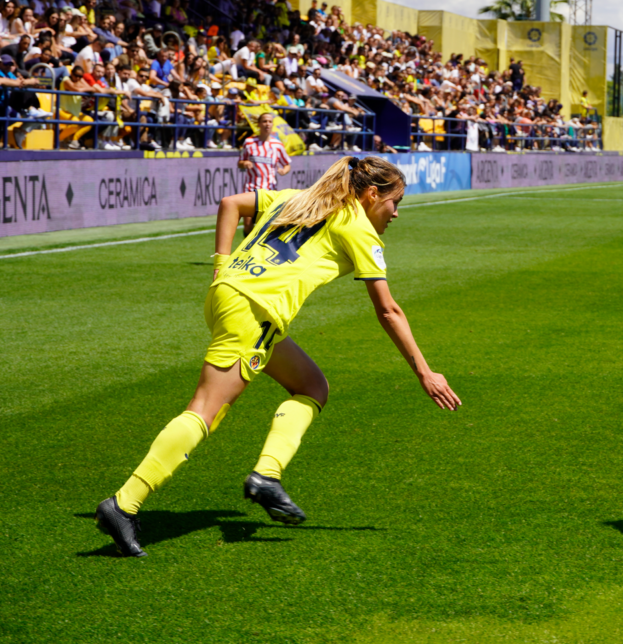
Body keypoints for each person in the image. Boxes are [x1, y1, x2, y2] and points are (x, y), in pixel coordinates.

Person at [94, 156, 462, 557]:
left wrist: (221, 265)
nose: (396, 213)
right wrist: (425, 372)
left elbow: (230, 204)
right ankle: (123, 503)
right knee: (205, 410)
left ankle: (266, 477)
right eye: (396, 201)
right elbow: (388, 310)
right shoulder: (357, 225)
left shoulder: (297, 198)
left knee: (311, 386)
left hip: (229, 297)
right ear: (372, 194)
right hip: (255, 310)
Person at [238, 112, 291, 234]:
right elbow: (240, 162)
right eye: (264, 121)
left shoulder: (277, 144)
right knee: (247, 224)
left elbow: (287, 164)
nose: (267, 124)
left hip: (269, 189)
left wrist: (284, 171)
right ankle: (246, 250)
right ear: (259, 124)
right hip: (250, 188)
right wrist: (244, 163)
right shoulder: (249, 142)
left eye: (270, 121)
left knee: (263, 224)